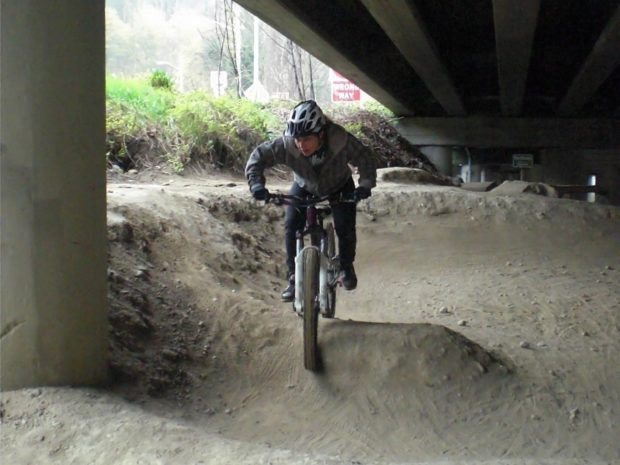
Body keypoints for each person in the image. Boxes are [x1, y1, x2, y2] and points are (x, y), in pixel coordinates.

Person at [245, 100, 377, 302]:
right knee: (291, 224)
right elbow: (258, 158)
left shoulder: (341, 141)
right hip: (304, 186)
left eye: (306, 139)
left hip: (340, 186)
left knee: (345, 225)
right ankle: (292, 277)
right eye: (297, 139)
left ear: (321, 134)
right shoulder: (287, 144)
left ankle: (346, 267)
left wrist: (365, 185)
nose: (300, 144)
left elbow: (365, 158)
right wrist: (256, 185)